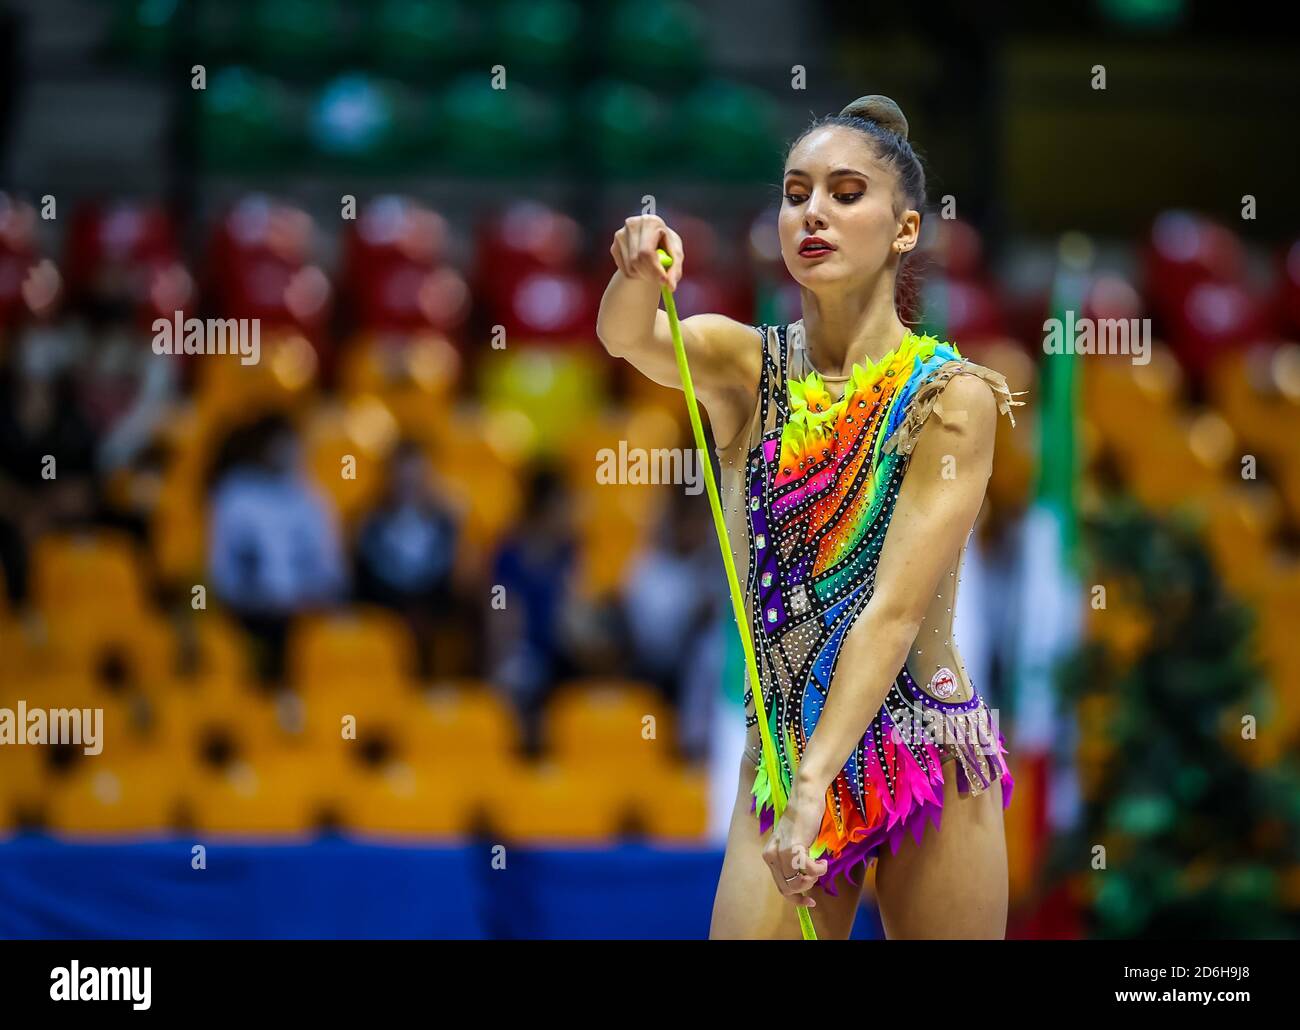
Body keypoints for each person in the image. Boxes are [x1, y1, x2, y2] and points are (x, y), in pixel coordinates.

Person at [597, 95, 1023, 939]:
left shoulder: (950, 397)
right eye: (796, 193)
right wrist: (635, 270)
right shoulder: (739, 363)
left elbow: (891, 612)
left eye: (845, 192)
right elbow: (625, 338)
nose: (813, 212)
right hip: (789, 743)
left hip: (924, 744)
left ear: (905, 231)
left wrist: (813, 791)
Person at [207, 412, 347, 684]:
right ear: (262, 447)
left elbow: (332, 570)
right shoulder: (235, 495)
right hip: (248, 613)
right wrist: (256, 599)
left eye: (290, 444)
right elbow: (222, 570)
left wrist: (311, 597)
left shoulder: (313, 498)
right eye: (277, 444)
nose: (285, 453)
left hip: (305, 614)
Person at [353, 438, 470, 678]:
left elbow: (463, 582)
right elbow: (359, 584)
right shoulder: (367, 524)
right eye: (402, 480)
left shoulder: (448, 524)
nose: (408, 486)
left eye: (416, 480)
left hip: (435, 620)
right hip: (382, 618)